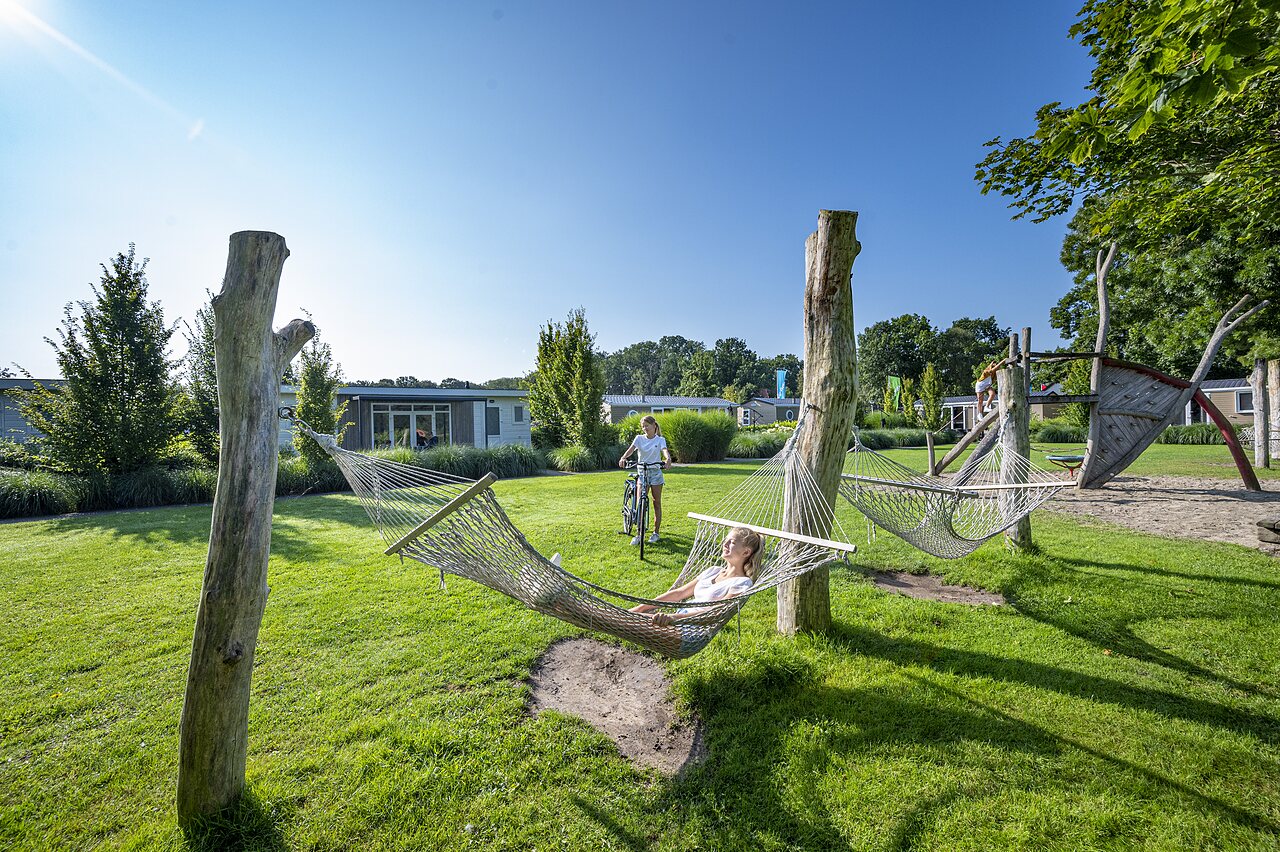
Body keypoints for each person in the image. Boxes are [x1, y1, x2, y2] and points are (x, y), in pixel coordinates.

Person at [629, 526, 763, 626]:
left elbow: (716, 614)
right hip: (677, 618)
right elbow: (679, 593)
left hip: (693, 628)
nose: (725, 544)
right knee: (629, 619)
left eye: (732, 542)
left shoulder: (742, 583)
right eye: (726, 540)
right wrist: (642, 608)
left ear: (746, 552)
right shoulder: (713, 571)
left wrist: (672, 618)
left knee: (630, 623)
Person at [618, 415, 673, 545]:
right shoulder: (639, 439)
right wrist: (623, 458)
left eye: (646, 426)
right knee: (640, 504)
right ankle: (638, 534)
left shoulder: (660, 440)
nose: (644, 429)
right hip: (642, 472)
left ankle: (656, 533)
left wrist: (668, 459)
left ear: (654, 426)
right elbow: (631, 449)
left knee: (656, 503)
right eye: (643, 427)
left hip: (655, 473)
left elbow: (664, 451)